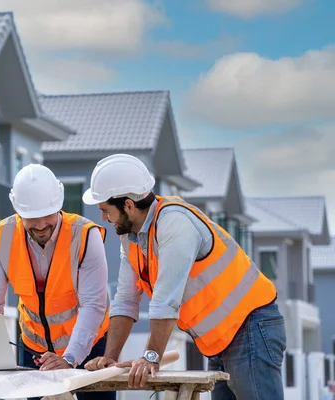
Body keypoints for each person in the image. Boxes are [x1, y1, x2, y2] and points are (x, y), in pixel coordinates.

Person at [81, 154, 286, 399]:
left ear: (128, 205)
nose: (103, 218)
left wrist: (151, 357)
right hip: (222, 339)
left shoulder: (174, 223)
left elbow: (166, 300)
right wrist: (110, 358)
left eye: (105, 210)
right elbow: (125, 300)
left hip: (251, 327)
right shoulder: (131, 237)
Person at [0, 164, 115, 400]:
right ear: (18, 211)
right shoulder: (2, 236)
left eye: (47, 215)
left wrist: (70, 359)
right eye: (32, 217)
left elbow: (93, 305)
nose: (41, 225)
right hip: (34, 347)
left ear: (59, 205)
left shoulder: (84, 236)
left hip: (91, 345)